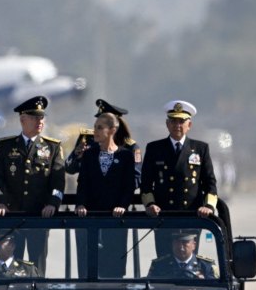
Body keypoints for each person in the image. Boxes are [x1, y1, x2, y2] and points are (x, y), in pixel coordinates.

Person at [0, 95, 65, 273]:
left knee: (37, 265)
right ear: (23, 119)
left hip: (38, 216)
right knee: (10, 263)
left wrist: (53, 203)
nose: (40, 121)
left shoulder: (52, 147)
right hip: (12, 214)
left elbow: (58, 180)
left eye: (42, 117)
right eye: (34, 117)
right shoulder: (6, 146)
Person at [141, 100, 218, 257]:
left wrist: (208, 207)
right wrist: (150, 204)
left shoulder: (200, 149)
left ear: (189, 125)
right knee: (164, 262)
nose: (177, 125)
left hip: (190, 217)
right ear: (167, 124)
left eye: (182, 121)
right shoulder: (155, 149)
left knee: (188, 263)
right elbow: (146, 183)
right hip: (164, 217)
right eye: (174, 121)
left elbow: (210, 182)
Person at [75, 112, 136, 277]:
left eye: (100, 128)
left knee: (113, 269)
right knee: (89, 268)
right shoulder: (89, 155)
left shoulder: (125, 156)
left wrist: (122, 206)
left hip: (115, 220)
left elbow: (129, 186)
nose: (95, 131)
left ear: (112, 130)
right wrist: (80, 204)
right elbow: (83, 183)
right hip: (92, 217)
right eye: (95, 127)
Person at [65, 98, 142, 190]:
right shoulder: (87, 139)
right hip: (90, 199)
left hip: (117, 200)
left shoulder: (131, 147)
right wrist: (76, 156)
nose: (97, 129)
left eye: (102, 125)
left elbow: (136, 179)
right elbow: (69, 168)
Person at [147, 231, 219, 279]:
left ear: (194, 245)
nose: (180, 247)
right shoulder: (158, 265)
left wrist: (202, 285)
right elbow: (151, 289)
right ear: (172, 244)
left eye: (185, 242)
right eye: (177, 243)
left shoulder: (206, 266)